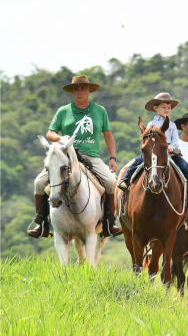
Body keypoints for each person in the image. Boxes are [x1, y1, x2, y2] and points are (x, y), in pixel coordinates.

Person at [28, 75, 122, 238]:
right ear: (72, 91)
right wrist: (61, 139)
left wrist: (112, 157)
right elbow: (49, 133)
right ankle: (42, 222)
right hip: (66, 156)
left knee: (111, 182)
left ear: (89, 90)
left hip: (91, 156)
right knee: (39, 182)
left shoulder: (100, 111)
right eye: (76, 89)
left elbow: (108, 136)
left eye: (83, 88)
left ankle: (109, 222)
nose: (80, 91)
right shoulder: (63, 111)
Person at [118, 94, 188, 199]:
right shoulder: (151, 123)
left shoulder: (172, 125)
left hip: (170, 152)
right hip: (154, 151)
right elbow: (148, 139)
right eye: (163, 107)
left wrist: (171, 147)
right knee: (137, 161)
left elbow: (175, 140)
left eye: (168, 108)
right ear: (156, 108)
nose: (166, 110)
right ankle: (125, 180)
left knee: (184, 165)